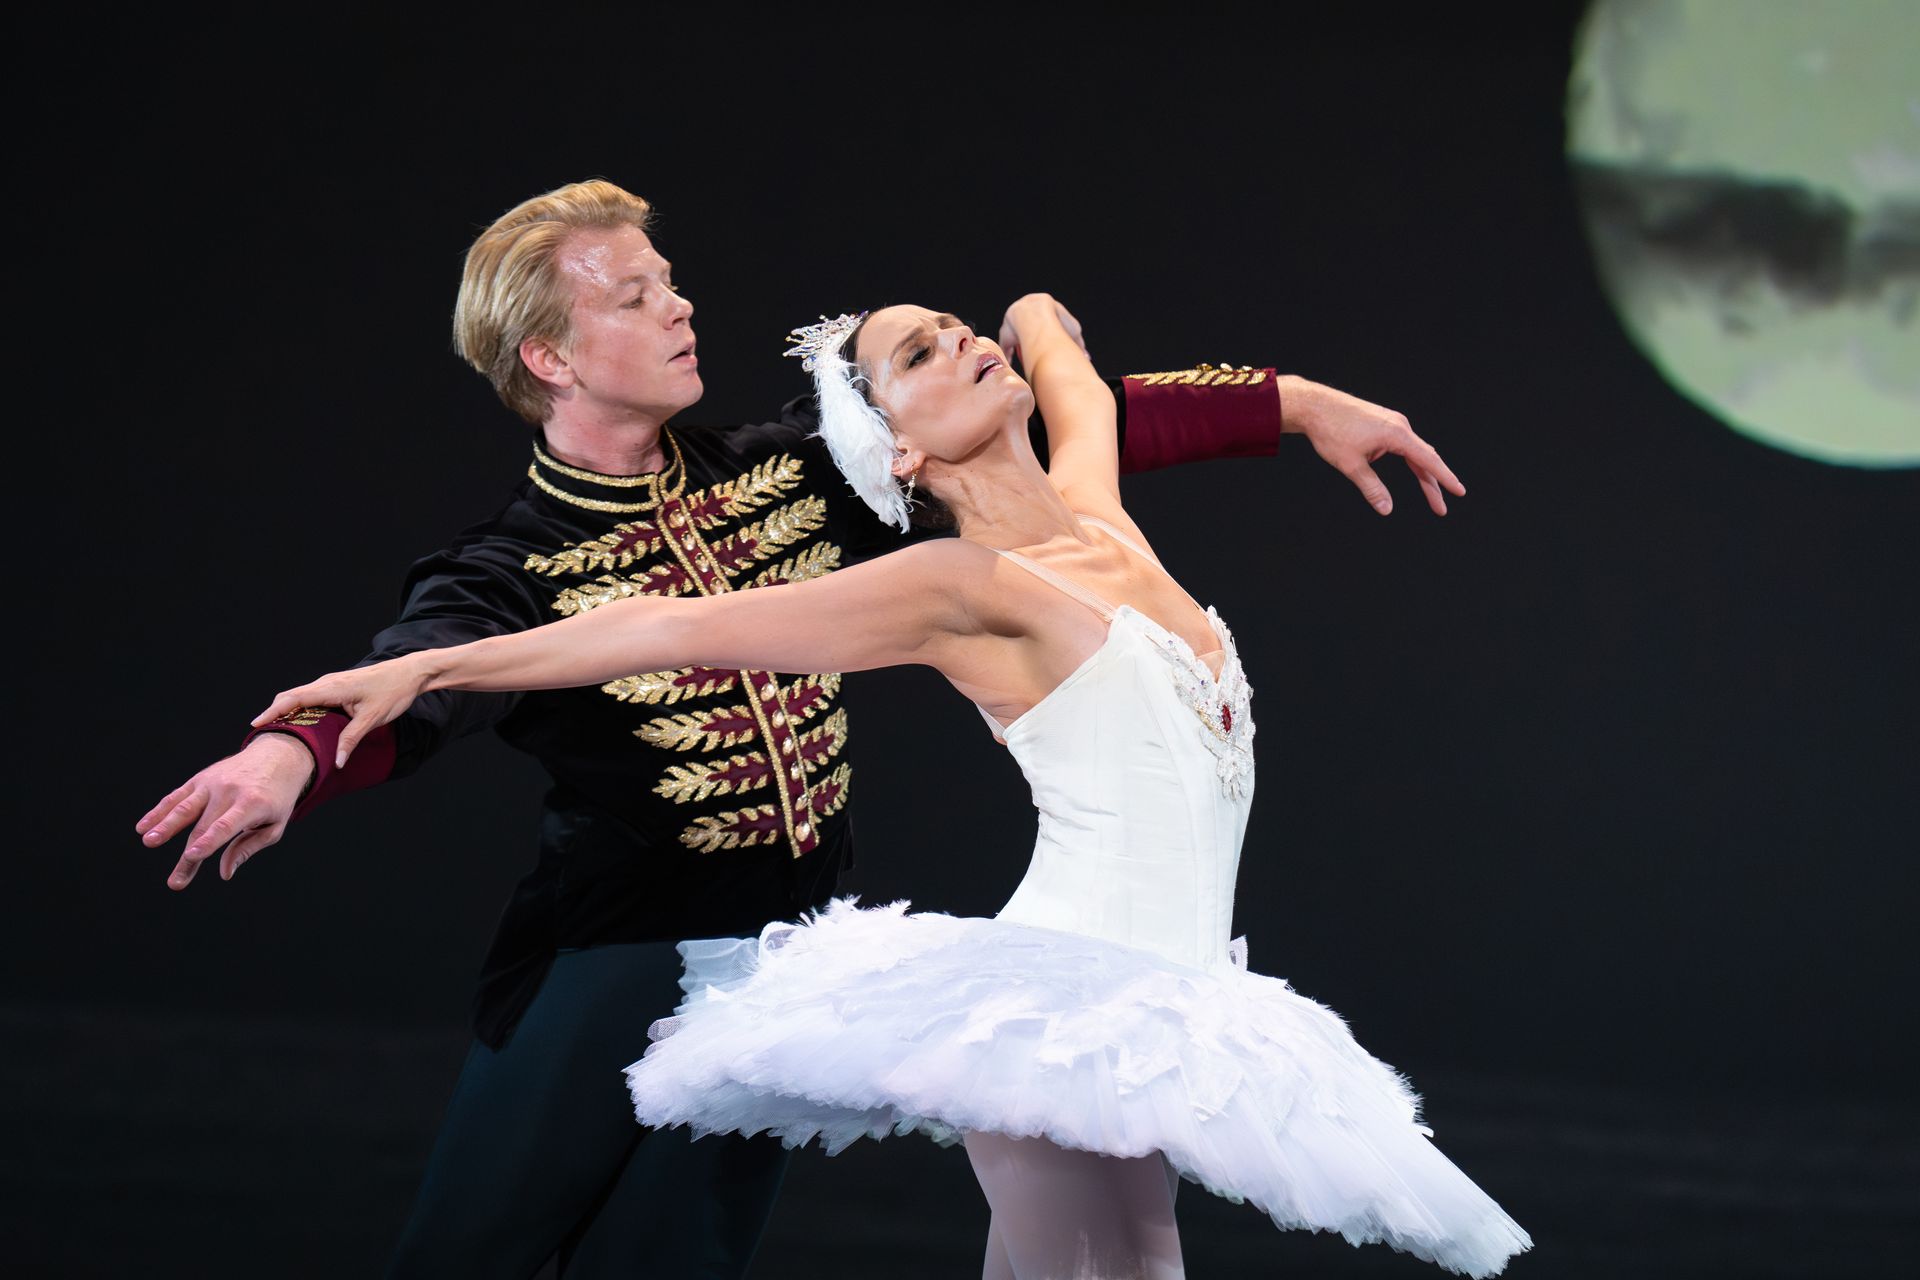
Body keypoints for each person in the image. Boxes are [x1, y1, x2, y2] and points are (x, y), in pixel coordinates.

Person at [135, 181, 1463, 1278]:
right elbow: (427, 670)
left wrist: (1291, 401)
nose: (679, 302)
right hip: (612, 960)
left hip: (784, 968)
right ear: (549, 356)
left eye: (671, 278)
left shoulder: (798, 470)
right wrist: (291, 755)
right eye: (635, 293)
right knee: (468, 1254)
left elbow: (1053, 425)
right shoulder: (510, 561)